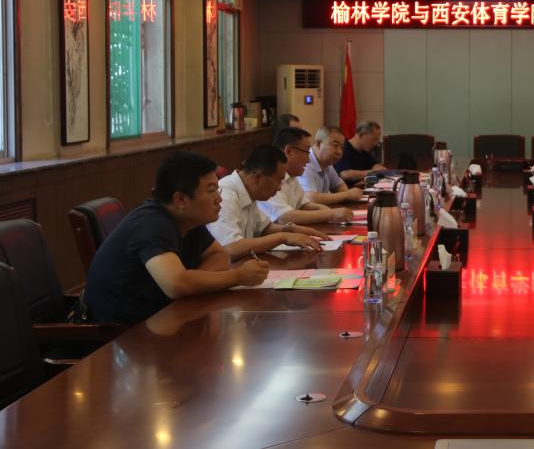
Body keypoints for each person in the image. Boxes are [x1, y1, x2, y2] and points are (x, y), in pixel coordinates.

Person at [83, 151, 269, 324]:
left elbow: (219, 256)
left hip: (162, 319)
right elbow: (176, 284)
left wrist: (194, 283)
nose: (219, 199)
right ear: (180, 199)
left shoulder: (189, 219)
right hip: (118, 333)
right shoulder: (151, 223)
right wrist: (238, 276)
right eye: (211, 190)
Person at [208, 144, 329, 259]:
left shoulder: (249, 190)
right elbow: (232, 248)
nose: (280, 187)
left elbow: (264, 228)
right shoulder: (225, 196)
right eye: (279, 180)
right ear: (258, 177)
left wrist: (292, 230)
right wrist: (283, 237)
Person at [258, 127, 354, 226]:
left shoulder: (292, 176)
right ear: (289, 151)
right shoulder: (268, 175)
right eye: (307, 152)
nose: (308, 160)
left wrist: (325, 210)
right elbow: (284, 217)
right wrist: (330, 214)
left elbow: (303, 205)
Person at [299, 126, 364, 205]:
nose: (339, 152)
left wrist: (345, 194)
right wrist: (347, 195)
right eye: (335, 145)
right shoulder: (305, 162)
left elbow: (340, 186)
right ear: (319, 144)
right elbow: (311, 198)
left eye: (342, 147)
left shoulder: (327, 163)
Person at [334, 120, 387, 184]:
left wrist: (377, 169)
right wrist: (372, 172)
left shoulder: (364, 149)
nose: (375, 143)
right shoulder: (343, 148)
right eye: (373, 139)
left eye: (377, 140)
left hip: (362, 185)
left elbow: (375, 164)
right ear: (361, 135)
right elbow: (345, 174)